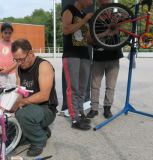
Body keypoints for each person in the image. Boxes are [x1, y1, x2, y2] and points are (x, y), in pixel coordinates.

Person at [8, 39, 58, 157]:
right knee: (10, 134)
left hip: (46, 109)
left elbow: (44, 95)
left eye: (21, 59)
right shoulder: (19, 68)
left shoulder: (43, 65)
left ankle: (40, 140)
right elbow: (19, 91)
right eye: (16, 60)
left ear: (30, 53)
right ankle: (41, 130)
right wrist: (11, 104)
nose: (19, 63)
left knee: (22, 115)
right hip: (29, 108)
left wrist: (20, 103)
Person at [86, 0, 124, 119]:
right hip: (98, 56)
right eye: (103, 5)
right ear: (97, 4)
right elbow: (89, 39)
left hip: (114, 56)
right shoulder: (93, 19)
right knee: (95, 85)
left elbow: (128, 15)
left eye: (108, 5)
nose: (105, 7)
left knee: (110, 86)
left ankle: (107, 108)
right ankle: (94, 109)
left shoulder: (114, 17)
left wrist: (121, 15)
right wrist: (105, 34)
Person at [61, 0, 93, 131]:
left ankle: (80, 113)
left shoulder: (86, 15)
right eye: (89, 0)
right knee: (73, 87)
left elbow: (88, 38)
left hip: (84, 54)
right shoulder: (69, 10)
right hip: (71, 54)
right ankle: (74, 118)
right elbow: (67, 29)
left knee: (82, 88)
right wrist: (84, 19)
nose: (91, 3)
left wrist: (105, 35)